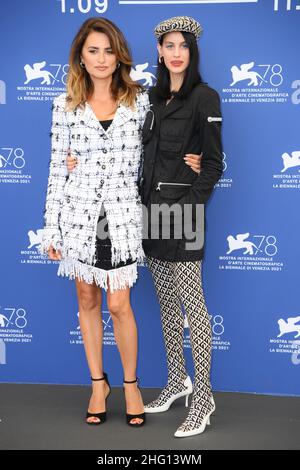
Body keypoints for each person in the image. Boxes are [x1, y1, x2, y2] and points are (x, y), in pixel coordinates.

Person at [39, 17, 150, 426]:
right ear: (80, 58)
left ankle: (131, 385)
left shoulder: (139, 101)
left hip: (120, 218)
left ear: (118, 55)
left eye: (108, 50)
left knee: (119, 304)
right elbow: (56, 169)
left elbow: (151, 159)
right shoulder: (63, 105)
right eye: (93, 51)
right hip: (79, 216)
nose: (102, 59)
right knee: (87, 300)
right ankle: (97, 383)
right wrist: (52, 227)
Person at [140, 16, 223, 437]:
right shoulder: (149, 100)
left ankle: (204, 396)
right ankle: (177, 381)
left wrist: (189, 204)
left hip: (185, 215)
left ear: (192, 52)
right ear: (158, 51)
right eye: (168, 45)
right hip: (150, 214)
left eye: (183, 46)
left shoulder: (205, 98)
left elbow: (212, 164)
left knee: (194, 306)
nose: (175, 53)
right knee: (167, 304)